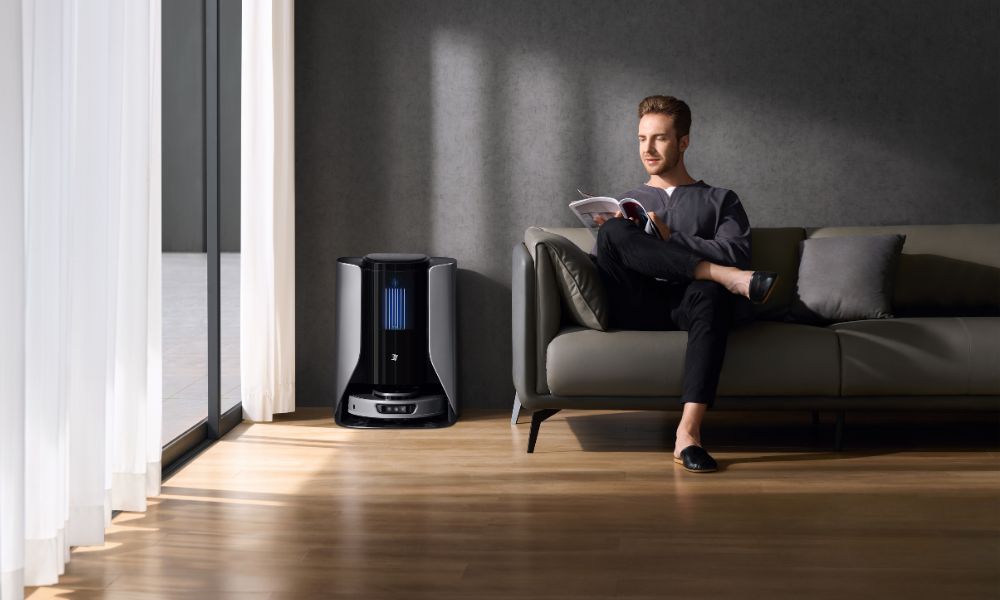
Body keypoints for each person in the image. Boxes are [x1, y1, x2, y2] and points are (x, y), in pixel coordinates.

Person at [593, 95, 777, 474]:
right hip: (637, 301)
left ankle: (687, 435)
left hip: (692, 305)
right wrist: (619, 238)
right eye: (642, 138)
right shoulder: (628, 202)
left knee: (710, 292)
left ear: (683, 142)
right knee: (613, 230)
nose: (648, 148)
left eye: (659, 138)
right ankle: (725, 279)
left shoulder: (720, 199)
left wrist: (671, 238)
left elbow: (737, 253)